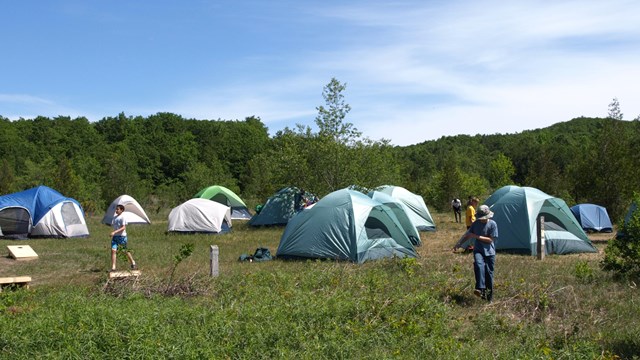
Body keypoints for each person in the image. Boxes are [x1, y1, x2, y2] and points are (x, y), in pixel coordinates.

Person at [459, 204, 498, 302]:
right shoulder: (475, 224)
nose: (482, 220)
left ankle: (488, 298)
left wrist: (477, 236)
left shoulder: (493, 224)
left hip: (490, 252)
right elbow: (468, 235)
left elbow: (490, 240)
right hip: (478, 250)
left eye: (484, 218)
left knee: (489, 274)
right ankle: (479, 288)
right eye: (480, 218)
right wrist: (458, 244)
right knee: (478, 265)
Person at [110, 204, 137, 271]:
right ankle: (113, 267)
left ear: (122, 210)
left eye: (117, 209)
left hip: (122, 237)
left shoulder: (123, 217)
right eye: (116, 209)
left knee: (124, 251)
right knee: (113, 250)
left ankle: (133, 262)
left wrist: (114, 232)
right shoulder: (115, 217)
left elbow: (123, 227)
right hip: (115, 237)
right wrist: (114, 233)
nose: (116, 210)